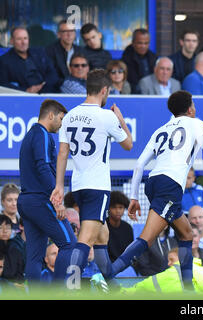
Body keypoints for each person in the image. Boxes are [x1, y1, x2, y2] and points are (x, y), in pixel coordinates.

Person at [106, 90, 203, 290]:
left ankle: (188, 289)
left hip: (153, 182)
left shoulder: (160, 130)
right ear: (190, 108)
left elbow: (139, 165)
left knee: (186, 235)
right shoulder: (196, 123)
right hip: (170, 185)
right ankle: (105, 277)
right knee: (146, 239)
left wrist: (134, 197)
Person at [50, 69, 133, 289]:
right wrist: (121, 121)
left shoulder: (69, 116)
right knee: (85, 240)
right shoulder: (106, 116)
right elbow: (129, 145)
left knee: (101, 237)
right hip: (98, 187)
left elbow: (62, 154)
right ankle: (72, 288)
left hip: (78, 185)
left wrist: (59, 185)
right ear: (104, 90)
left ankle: (113, 287)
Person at [16, 99, 77, 287]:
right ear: (51, 115)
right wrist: (58, 200)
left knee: (34, 257)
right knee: (70, 245)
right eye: (60, 119)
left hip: (27, 201)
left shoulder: (30, 135)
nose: (62, 124)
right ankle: (60, 293)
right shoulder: (42, 135)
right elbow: (43, 167)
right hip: (40, 200)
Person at [0, 27, 58, 93]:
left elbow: (52, 73)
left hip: (47, 93)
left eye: (25, 38)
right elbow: (3, 84)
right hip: (23, 97)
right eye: (19, 39)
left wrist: (43, 85)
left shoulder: (40, 53)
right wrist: (26, 91)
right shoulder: (4, 60)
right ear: (11, 41)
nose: (23, 42)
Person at [45, 20, 83, 88]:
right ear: (58, 34)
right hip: (59, 89)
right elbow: (52, 77)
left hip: (80, 86)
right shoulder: (49, 51)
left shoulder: (81, 51)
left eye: (72, 31)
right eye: (65, 31)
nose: (69, 35)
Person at [121, 28, 157, 94]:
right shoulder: (126, 59)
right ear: (133, 42)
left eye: (146, 43)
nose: (143, 46)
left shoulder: (153, 58)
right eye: (140, 43)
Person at [106, 191, 134, 263]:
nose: (118, 211)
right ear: (108, 209)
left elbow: (130, 252)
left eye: (120, 207)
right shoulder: (103, 227)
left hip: (124, 265)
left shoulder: (128, 228)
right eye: (114, 207)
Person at [0, 215, 24, 282]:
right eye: (0, 228)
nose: (4, 231)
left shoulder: (15, 248)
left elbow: (20, 273)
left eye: (8, 228)